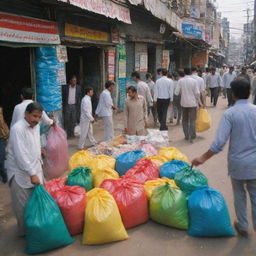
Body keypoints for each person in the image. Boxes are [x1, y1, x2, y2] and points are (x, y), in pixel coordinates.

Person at [192, 79, 256, 237]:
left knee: (239, 195)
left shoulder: (230, 114)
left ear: (233, 95)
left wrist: (202, 158)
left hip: (238, 164)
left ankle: (242, 226)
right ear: (249, 92)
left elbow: (219, 143)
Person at [6, 102, 45, 237]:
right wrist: (32, 173)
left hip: (34, 168)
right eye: (34, 116)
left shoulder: (36, 126)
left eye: (39, 117)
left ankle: (36, 229)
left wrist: (40, 151)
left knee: (36, 202)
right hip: (21, 172)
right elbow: (20, 155)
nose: (36, 119)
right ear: (26, 114)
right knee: (22, 206)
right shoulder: (18, 129)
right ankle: (25, 234)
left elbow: (33, 143)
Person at [175, 68, 200, 143]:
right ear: (190, 72)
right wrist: (199, 102)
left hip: (184, 103)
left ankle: (186, 135)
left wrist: (182, 93)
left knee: (185, 120)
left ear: (184, 72)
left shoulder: (180, 81)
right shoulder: (194, 81)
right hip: (192, 103)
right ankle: (192, 135)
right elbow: (197, 93)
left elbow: (176, 92)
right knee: (192, 120)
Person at [0, 106, 9, 183]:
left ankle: (3, 174)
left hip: (1, 137)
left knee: (1, 159)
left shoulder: (1, 110)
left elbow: (3, 123)